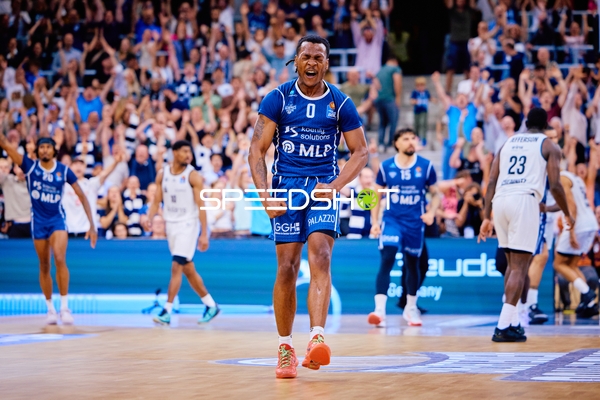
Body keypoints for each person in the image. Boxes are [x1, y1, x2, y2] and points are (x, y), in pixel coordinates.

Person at [248, 35, 368, 379]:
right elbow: (256, 150)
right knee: (287, 267)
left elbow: (361, 151)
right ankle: (285, 348)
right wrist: (265, 194)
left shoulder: (340, 102)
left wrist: (335, 186)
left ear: (326, 64)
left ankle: (317, 339)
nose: (312, 62)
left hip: (322, 187)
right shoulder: (278, 98)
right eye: (306, 57)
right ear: (296, 62)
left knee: (322, 255)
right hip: (286, 187)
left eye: (318, 57)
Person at [479, 108, 573, 342]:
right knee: (520, 267)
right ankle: (503, 326)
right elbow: (556, 185)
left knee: (512, 265)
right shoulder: (549, 145)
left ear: (526, 123)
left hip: (500, 200)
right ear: (545, 125)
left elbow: (491, 181)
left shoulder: (507, 143)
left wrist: (486, 217)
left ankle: (513, 322)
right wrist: (567, 213)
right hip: (524, 200)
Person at [0, 135, 97, 325]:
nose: (45, 150)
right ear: (37, 151)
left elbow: (82, 196)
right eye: (41, 147)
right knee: (44, 264)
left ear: (54, 151)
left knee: (60, 258)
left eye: (48, 147)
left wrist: (92, 225)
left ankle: (65, 307)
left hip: (57, 220)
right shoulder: (30, 167)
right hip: (38, 222)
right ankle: (50, 308)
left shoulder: (63, 170)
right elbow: (6, 146)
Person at [367, 128, 440, 328]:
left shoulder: (426, 166)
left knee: (412, 264)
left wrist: (432, 212)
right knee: (387, 258)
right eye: (406, 139)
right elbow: (376, 195)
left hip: (415, 222)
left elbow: (436, 193)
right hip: (392, 220)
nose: (411, 142)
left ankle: (411, 308)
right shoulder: (386, 166)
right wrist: (375, 222)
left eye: (413, 138)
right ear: (396, 143)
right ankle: (379, 310)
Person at [147, 140, 217, 326]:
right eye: (185, 151)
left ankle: (167, 310)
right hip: (171, 224)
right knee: (188, 269)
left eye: (189, 152)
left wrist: (204, 233)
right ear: (175, 152)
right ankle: (211, 305)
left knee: (176, 265)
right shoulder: (163, 174)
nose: (188, 155)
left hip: (188, 224)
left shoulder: (193, 176)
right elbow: (156, 200)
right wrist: (149, 217)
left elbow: (201, 206)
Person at [553, 168, 599, 316]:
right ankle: (589, 304)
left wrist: (571, 232)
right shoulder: (575, 178)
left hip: (578, 225)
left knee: (558, 264)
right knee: (571, 265)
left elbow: (571, 204)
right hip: (590, 224)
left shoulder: (562, 178)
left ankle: (587, 292)